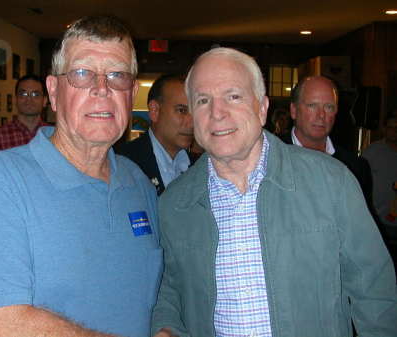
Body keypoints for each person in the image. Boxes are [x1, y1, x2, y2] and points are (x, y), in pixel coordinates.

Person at [151, 47, 397, 337]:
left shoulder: (331, 182)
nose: (217, 113)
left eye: (233, 96)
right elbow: (168, 288)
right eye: (203, 100)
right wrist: (166, 328)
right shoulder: (174, 204)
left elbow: (376, 292)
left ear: (262, 108)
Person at [0, 16, 162, 337]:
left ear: (132, 92)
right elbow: (3, 326)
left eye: (117, 75)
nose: (102, 89)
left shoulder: (138, 183)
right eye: (81, 74)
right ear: (53, 91)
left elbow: (153, 299)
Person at [283, 76, 372, 200]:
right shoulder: (268, 157)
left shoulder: (355, 168)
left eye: (329, 107)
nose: (321, 115)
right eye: (312, 105)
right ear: (293, 110)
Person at [117, 74, 193, 195]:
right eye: (182, 111)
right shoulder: (123, 163)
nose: (192, 122)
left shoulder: (201, 167)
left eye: (195, 112)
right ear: (155, 111)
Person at [0, 74, 50, 152]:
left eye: (35, 94)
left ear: (45, 101)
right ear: (15, 99)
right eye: (23, 94)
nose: (29, 99)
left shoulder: (54, 135)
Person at [363, 116, 397, 229]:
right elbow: (360, 179)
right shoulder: (373, 151)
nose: (394, 131)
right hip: (376, 219)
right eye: (391, 127)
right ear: (385, 129)